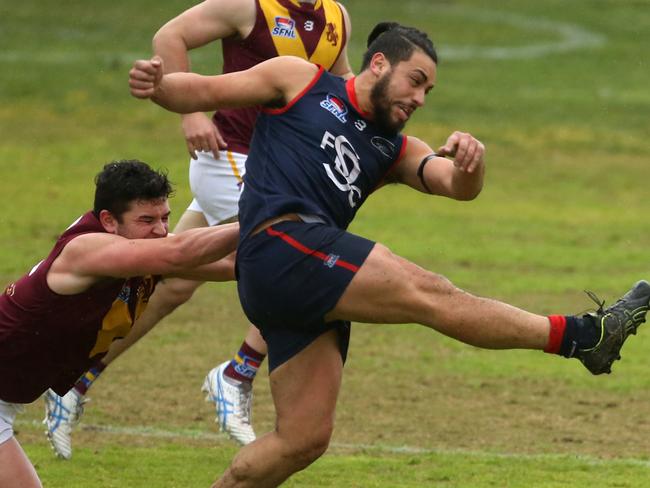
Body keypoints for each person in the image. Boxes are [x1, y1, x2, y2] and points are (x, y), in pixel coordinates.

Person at [129, 21, 650, 487]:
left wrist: (472, 164)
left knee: (303, 439)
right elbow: (200, 89)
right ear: (379, 63)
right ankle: (584, 337)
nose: (420, 98)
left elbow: (454, 185)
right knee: (432, 292)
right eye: (415, 80)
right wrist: (161, 87)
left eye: (429, 90)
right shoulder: (299, 79)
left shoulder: (395, 149)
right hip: (280, 245)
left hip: (296, 280)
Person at [44, 0, 353, 455]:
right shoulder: (247, 6)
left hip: (285, 170)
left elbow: (343, 87)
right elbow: (170, 36)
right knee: (299, 266)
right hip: (234, 159)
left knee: (167, 282)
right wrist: (189, 113)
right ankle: (237, 374)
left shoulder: (337, 16)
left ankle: (73, 380)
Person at [0, 160, 240, 486]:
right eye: (146, 220)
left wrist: (302, 230)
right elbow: (178, 252)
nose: (160, 229)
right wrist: (258, 218)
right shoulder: (86, 251)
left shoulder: (139, 254)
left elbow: (229, 264)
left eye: (165, 218)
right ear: (109, 221)